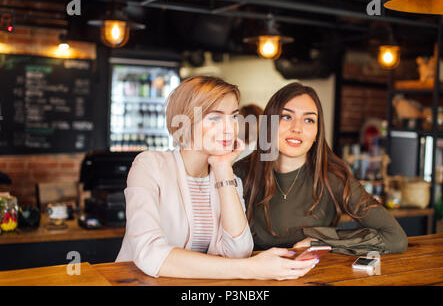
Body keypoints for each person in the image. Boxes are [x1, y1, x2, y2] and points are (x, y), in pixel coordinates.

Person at [116, 76, 318, 280]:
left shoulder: (228, 178)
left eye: (233, 117)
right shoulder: (150, 165)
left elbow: (238, 251)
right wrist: (252, 269)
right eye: (215, 117)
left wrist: (223, 169)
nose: (229, 128)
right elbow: (150, 254)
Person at [233, 82, 408, 253]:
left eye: (309, 120)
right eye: (286, 117)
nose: (297, 128)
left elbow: (395, 238)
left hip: (315, 278)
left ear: (317, 132)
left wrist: (323, 241)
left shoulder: (333, 176)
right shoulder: (239, 172)